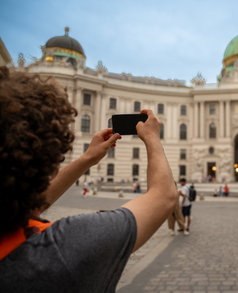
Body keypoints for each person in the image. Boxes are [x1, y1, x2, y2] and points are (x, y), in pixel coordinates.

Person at [0, 67, 178, 292]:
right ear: (49, 159)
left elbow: (31, 203)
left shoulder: (10, 216)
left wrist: (87, 158)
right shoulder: (65, 247)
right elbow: (164, 197)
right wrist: (152, 138)